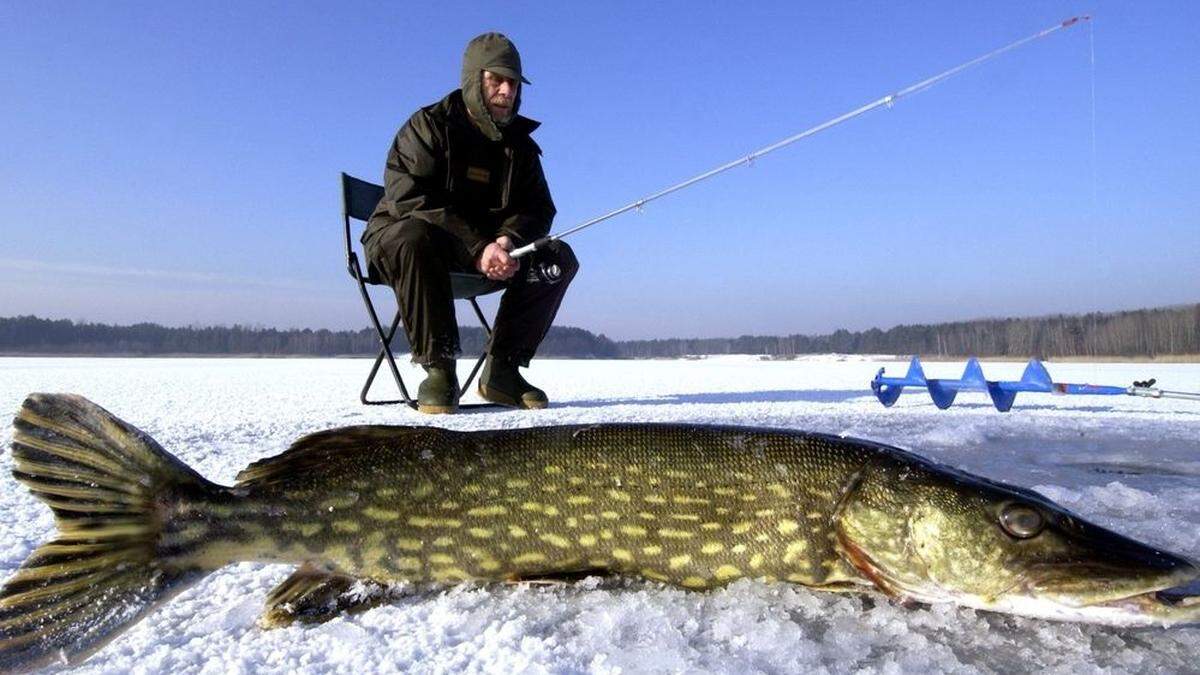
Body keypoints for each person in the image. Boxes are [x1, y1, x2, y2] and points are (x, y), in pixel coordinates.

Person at [362, 32, 578, 414]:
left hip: (486, 252)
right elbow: (409, 198)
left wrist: (508, 240)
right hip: (404, 244)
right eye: (497, 79)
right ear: (474, 80)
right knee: (414, 237)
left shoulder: (521, 147)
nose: (506, 90)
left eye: (513, 83)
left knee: (556, 257)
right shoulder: (427, 127)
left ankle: (503, 370)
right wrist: (478, 247)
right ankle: (439, 368)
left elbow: (539, 208)